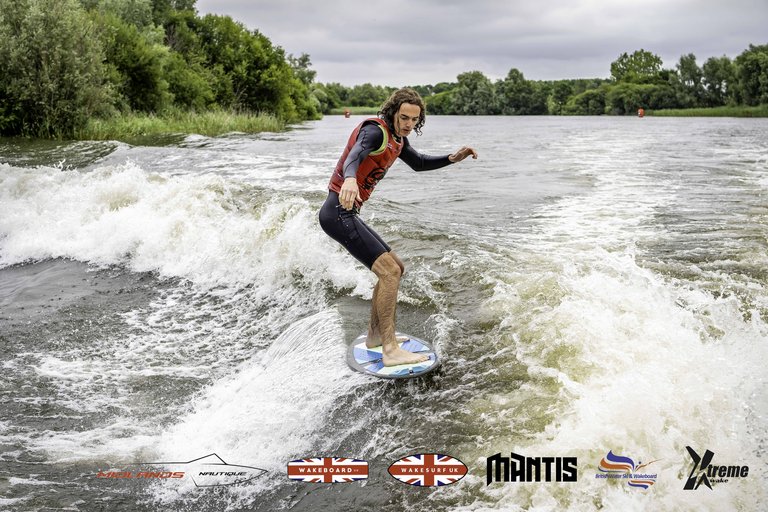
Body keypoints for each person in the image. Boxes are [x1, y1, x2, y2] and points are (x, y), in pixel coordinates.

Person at [319, 87, 478, 366]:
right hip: (336, 212)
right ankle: (390, 350)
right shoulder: (375, 131)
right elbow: (355, 154)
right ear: (393, 112)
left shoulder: (398, 140)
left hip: (348, 213)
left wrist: (451, 159)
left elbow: (419, 163)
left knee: (397, 268)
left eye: (414, 120)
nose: (408, 124)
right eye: (404, 117)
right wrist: (350, 179)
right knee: (389, 272)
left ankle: (375, 336)